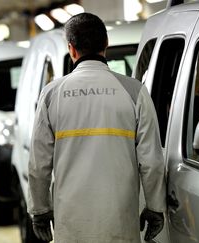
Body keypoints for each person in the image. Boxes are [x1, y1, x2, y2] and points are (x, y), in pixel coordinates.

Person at [28, 13, 166, 243]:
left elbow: (38, 163)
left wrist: (40, 209)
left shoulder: (52, 94)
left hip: (72, 226)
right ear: (106, 45)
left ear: (71, 49)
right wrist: (155, 206)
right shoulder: (135, 92)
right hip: (120, 223)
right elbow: (151, 160)